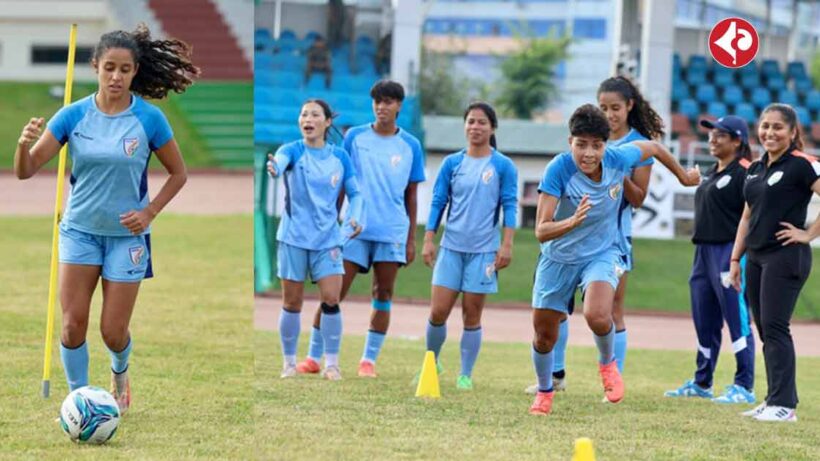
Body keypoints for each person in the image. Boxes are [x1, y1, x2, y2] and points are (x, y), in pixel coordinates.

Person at [13, 24, 198, 413]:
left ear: (134, 71)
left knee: (113, 333)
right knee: (71, 326)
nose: (116, 76)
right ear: (95, 66)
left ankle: (120, 371)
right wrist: (22, 146)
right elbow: (26, 170)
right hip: (79, 232)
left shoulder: (149, 119)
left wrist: (149, 212)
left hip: (126, 239)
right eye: (109, 67)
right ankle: (78, 401)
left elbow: (178, 174)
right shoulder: (72, 115)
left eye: (125, 69)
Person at [528, 104, 700, 415]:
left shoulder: (618, 158)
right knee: (544, 335)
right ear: (571, 143)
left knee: (597, 314)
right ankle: (544, 390)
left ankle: (608, 367)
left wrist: (684, 177)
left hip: (602, 252)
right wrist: (572, 222)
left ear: (606, 145)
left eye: (596, 145)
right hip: (558, 257)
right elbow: (541, 230)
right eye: (582, 144)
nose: (589, 153)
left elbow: (656, 148)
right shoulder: (558, 169)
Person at [526, 75, 664, 395]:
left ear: (629, 107)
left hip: (611, 241)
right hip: (563, 247)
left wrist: (617, 178)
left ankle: (611, 373)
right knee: (550, 322)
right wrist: (573, 220)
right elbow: (541, 229)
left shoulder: (622, 152)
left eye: (615, 107)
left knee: (605, 313)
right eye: (604, 107)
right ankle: (553, 380)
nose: (610, 113)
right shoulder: (566, 162)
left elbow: (642, 190)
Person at [295, 80, 425, 378]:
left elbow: (411, 195)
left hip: (391, 230)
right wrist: (332, 223)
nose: (382, 107)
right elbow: (341, 182)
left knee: (383, 293)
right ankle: (314, 356)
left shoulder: (411, 146)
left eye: (389, 101)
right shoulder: (355, 137)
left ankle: (368, 360)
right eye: (377, 101)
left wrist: (410, 239)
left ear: (399, 106)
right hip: (353, 229)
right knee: (333, 292)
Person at [728, 103, 820, 422]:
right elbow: (746, 215)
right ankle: (772, 401)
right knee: (766, 328)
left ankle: (785, 406)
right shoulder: (755, 168)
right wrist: (736, 258)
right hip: (755, 257)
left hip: (786, 255)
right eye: (765, 126)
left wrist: (808, 234)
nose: (770, 132)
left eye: (778, 127)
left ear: (793, 132)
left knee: (776, 327)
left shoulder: (802, 165)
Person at [420, 102, 518, 390]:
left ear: (492, 128)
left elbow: (510, 205)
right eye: (471, 122)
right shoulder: (452, 163)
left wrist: (507, 244)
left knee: (471, 314)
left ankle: (465, 374)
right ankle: (431, 362)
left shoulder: (502, 165)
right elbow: (439, 201)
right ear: (464, 126)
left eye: (482, 122)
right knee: (438, 311)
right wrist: (428, 238)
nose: (475, 127)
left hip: (484, 251)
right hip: (451, 248)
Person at [268, 99, 363, 381]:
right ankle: (288, 363)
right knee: (292, 302)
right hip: (293, 238)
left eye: (314, 114)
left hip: (328, 239)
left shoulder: (340, 158)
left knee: (331, 299)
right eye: (303, 114)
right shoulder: (292, 150)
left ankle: (331, 364)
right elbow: (280, 162)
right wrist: (275, 168)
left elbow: (356, 194)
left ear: (327, 122)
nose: (307, 119)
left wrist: (354, 218)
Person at [664, 115, 756, 403]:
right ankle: (702, 382)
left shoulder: (746, 171)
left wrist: (739, 255)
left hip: (729, 253)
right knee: (705, 319)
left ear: (737, 140)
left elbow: (756, 212)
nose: (712, 139)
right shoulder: (713, 171)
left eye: (721, 135)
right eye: (711, 134)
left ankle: (744, 386)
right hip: (702, 253)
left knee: (736, 319)